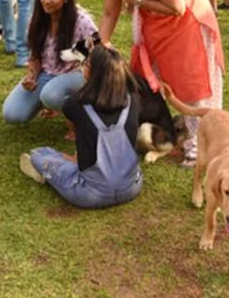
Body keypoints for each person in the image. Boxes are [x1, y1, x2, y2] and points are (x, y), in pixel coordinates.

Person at [96, 0, 225, 168]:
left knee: (191, 86)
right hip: (154, 29)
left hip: (188, 25)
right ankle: (164, 129)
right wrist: (98, 48)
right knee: (142, 80)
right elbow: (109, 12)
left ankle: (198, 146)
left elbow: (178, 7)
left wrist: (138, 1)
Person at [18, 43, 143, 209]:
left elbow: (78, 120)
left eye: (86, 64)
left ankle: (58, 169)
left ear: (93, 73)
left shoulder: (76, 104)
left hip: (91, 194)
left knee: (40, 154)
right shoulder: (133, 98)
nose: (82, 67)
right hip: (132, 187)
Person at [2, 0, 98, 125]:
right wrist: (32, 76)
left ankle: (83, 118)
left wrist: (88, 73)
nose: (46, 1)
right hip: (47, 74)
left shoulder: (81, 21)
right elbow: (35, 55)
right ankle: (53, 101)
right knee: (12, 114)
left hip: (77, 74)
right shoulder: (37, 19)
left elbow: (100, 51)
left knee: (51, 94)